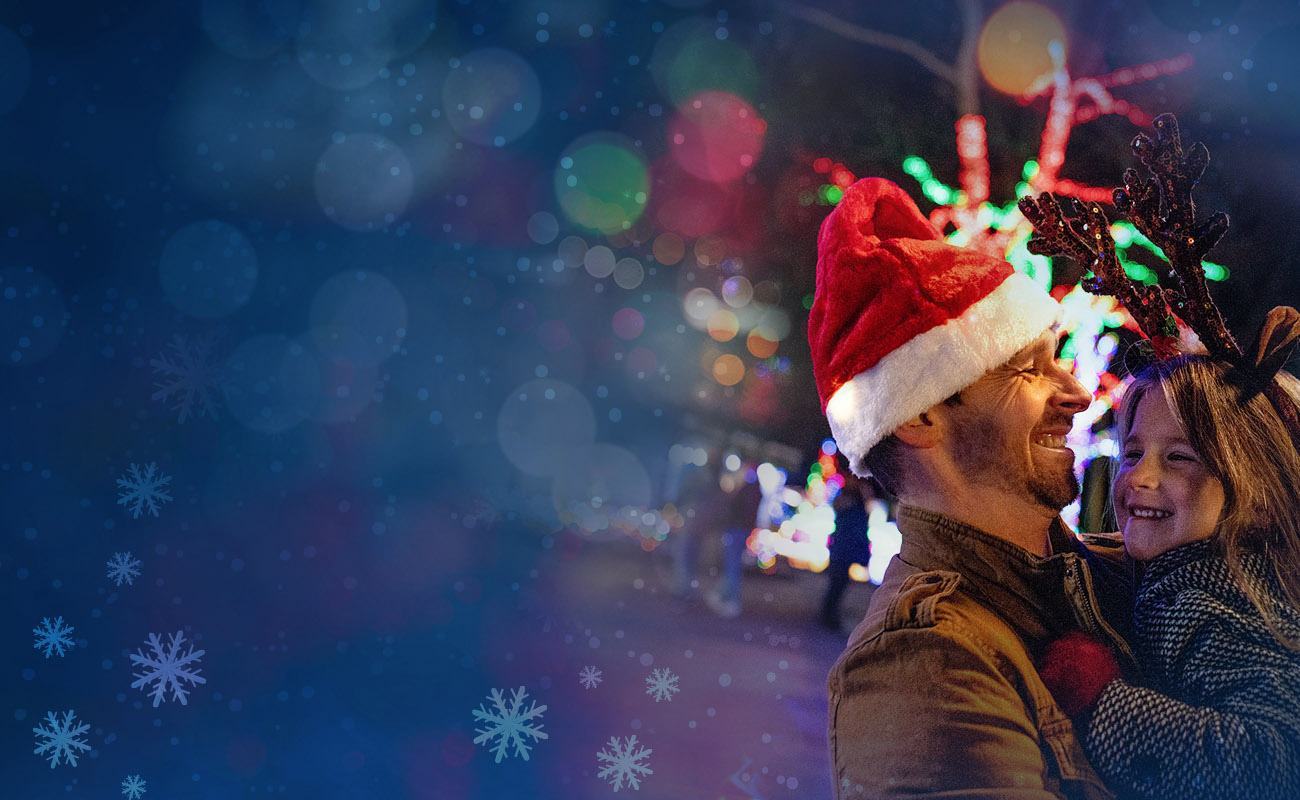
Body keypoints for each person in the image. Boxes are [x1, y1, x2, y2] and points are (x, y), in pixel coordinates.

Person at [810, 177, 1134, 798]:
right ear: (919, 416)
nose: (1078, 393)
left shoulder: (1124, 573)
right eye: (1030, 370)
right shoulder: (926, 662)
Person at [1037, 341, 1300, 799]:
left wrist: (1102, 702)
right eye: (1133, 453)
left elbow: (1274, 761)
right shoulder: (1198, 575)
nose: (1139, 477)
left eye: (1179, 457)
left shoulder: (1205, 601)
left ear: (1258, 497)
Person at [818, 469, 873, 633]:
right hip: (845, 549)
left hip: (842, 548)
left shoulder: (847, 500)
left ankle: (828, 614)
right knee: (838, 584)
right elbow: (857, 528)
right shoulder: (854, 503)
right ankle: (828, 616)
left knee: (837, 584)